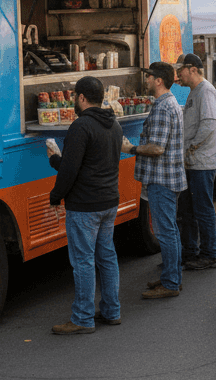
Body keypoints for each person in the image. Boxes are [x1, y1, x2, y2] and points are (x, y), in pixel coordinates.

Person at [46, 76, 124, 335]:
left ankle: (82, 318)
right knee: (108, 257)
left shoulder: (81, 127)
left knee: (83, 262)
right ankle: (112, 311)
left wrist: (56, 189)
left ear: (81, 98)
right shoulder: (114, 125)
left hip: (85, 205)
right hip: (109, 201)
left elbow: (70, 170)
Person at [124, 62, 187, 299]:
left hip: (162, 179)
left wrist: (131, 148)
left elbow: (157, 148)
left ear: (158, 80)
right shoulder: (169, 103)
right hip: (168, 177)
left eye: (149, 76)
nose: (147, 80)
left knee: (166, 231)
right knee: (169, 229)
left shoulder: (163, 107)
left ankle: (170, 283)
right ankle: (172, 277)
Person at [177, 54, 216, 271]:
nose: (178, 75)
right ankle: (190, 252)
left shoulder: (206, 91)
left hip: (202, 163)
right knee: (188, 210)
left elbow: (209, 123)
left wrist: (191, 146)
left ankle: (209, 254)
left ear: (192, 69)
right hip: (192, 162)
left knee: (202, 209)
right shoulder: (195, 92)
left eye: (181, 70)